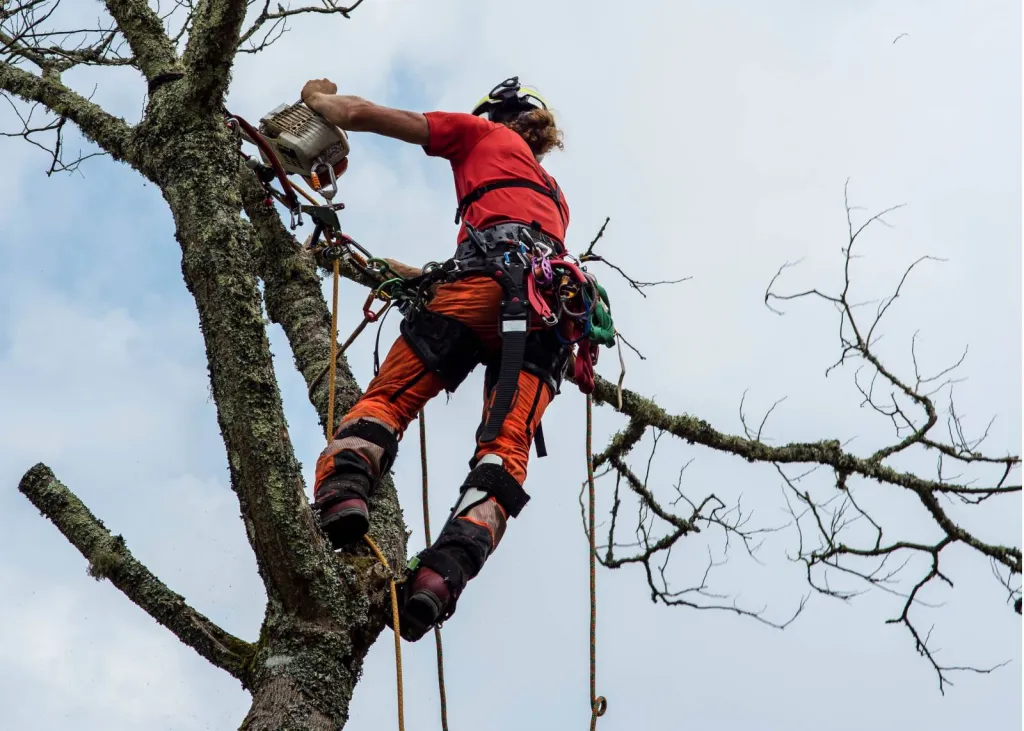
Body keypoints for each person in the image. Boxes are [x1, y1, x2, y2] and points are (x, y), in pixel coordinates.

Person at [300, 76, 572, 641]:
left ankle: (344, 492)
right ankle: (442, 576)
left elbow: (358, 112)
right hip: (550, 315)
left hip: (483, 288)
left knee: (389, 399)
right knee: (506, 451)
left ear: (496, 115)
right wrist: (390, 269)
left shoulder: (480, 135)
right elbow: (502, 256)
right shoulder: (553, 195)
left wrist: (316, 97)